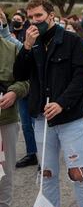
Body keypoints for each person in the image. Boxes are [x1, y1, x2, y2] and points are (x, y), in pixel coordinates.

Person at [13, 0, 83, 207]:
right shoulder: (31, 43)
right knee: (47, 174)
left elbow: (81, 76)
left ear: (51, 15)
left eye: (38, 16)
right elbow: (19, 74)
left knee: (78, 174)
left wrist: (62, 103)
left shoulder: (71, 41)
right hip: (41, 120)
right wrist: (27, 47)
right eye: (30, 17)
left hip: (70, 119)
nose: (34, 21)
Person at [0, 8, 29, 207]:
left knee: (5, 170)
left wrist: (14, 92)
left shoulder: (12, 49)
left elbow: (26, 80)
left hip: (6, 119)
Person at [8, 12, 39, 168]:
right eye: (14, 19)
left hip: (32, 85)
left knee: (37, 123)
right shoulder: (12, 35)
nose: (16, 21)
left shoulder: (32, 34)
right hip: (21, 86)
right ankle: (31, 153)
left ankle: (43, 155)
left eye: (19, 19)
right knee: (26, 124)